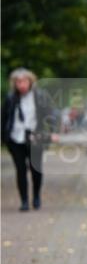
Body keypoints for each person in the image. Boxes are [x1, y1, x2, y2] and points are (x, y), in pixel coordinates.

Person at [2, 68, 59, 211]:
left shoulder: (40, 96)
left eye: (24, 81)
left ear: (30, 81)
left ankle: (36, 196)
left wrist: (53, 131)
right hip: (15, 138)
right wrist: (4, 137)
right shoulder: (10, 98)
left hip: (35, 137)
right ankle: (24, 201)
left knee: (36, 169)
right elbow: (4, 118)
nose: (21, 85)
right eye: (18, 82)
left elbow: (50, 113)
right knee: (20, 170)